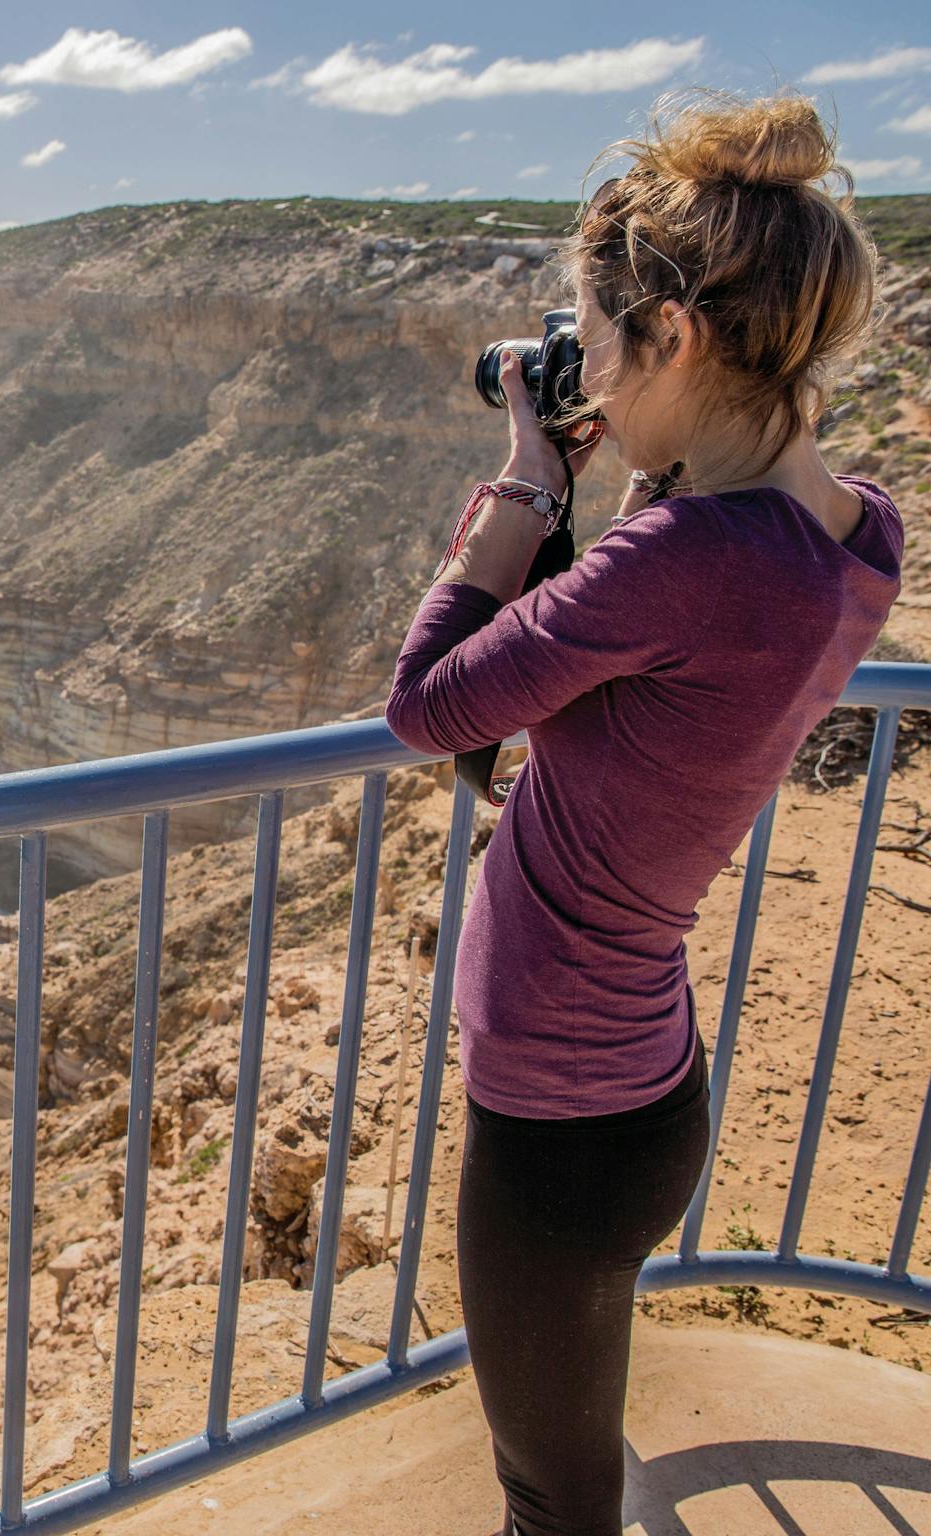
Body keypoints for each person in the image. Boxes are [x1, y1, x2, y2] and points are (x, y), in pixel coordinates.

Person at [381, 86, 906, 1536]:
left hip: (558, 1123)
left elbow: (428, 709)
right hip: (644, 1092)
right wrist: (641, 478)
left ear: (674, 334)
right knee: (575, 1462)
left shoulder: (677, 560)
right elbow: (660, 652)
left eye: (604, 349)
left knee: (551, 1501)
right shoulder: (860, 534)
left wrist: (523, 480)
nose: (591, 386)